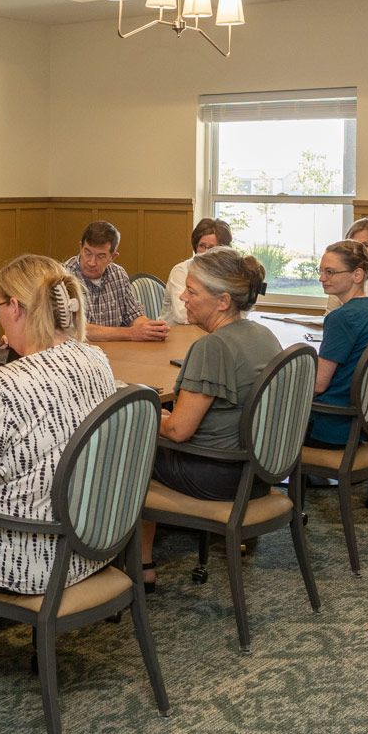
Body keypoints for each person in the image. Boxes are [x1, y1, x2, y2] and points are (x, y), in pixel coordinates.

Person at [0, 254, 117, 595]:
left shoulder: (2, 384)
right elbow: (49, 417)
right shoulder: (94, 358)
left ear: (15, 307)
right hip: (90, 542)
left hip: (19, 556)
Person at [143, 248, 280, 589]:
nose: (182, 297)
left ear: (222, 301)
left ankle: (137, 565)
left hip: (216, 473)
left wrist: (151, 416)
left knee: (125, 447)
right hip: (259, 472)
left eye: (192, 292)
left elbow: (177, 431)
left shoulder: (212, 348)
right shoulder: (263, 335)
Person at [307, 241, 368, 448]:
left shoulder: (341, 318)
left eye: (330, 272)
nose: (322, 278)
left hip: (332, 425)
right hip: (364, 419)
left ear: (357, 275)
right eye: (321, 271)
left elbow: (318, 384)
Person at [61, 219, 169, 342]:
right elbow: (75, 329)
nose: (91, 262)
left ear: (112, 257)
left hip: (119, 353)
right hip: (80, 354)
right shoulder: (64, 277)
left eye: (100, 256)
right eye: (87, 253)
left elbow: (134, 314)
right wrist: (131, 333)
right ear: (80, 247)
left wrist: (149, 329)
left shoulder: (118, 274)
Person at [164, 217, 234, 325]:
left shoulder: (225, 273)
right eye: (202, 246)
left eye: (211, 248)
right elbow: (183, 315)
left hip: (209, 330)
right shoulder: (181, 271)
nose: (205, 252)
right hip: (175, 334)